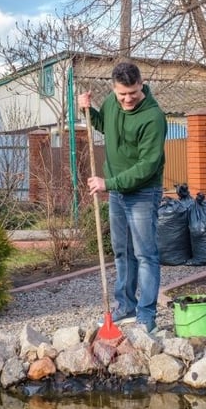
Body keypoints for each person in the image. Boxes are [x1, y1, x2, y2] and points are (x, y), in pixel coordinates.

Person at [78, 62, 167, 333]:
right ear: (114, 90)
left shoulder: (153, 117)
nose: (127, 99)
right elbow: (105, 125)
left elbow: (147, 166)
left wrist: (109, 183)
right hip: (115, 191)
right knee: (121, 252)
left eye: (132, 93)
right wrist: (87, 110)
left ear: (141, 85)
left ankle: (146, 315)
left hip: (142, 192)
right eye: (122, 94)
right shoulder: (111, 103)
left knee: (145, 254)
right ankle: (125, 306)